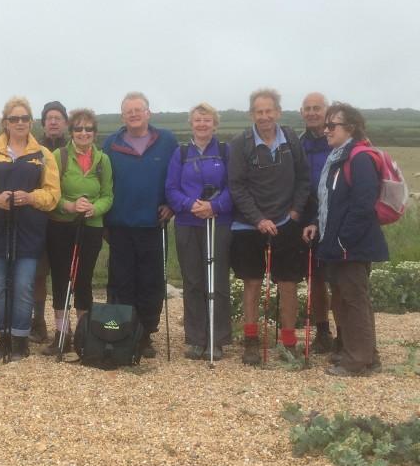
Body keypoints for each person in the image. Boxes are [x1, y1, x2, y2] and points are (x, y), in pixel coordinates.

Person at [0, 96, 60, 361]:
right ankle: (5, 336)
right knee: (0, 285)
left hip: (29, 231)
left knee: (23, 286)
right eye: (14, 119)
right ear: (6, 123)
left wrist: (32, 197)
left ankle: (20, 339)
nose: (20, 123)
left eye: (24, 118)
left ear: (31, 122)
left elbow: (53, 193)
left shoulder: (42, 155)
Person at [302, 102, 387, 376]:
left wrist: (342, 241)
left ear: (349, 128)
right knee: (346, 299)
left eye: (332, 125)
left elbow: (363, 205)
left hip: (352, 247)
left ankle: (358, 360)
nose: (326, 130)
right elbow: (332, 203)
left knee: (354, 301)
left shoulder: (359, 158)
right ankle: (364, 355)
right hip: (339, 245)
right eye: (326, 125)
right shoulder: (339, 157)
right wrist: (318, 224)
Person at [228, 88, 310, 365]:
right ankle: (251, 341)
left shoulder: (291, 140)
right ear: (252, 114)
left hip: (286, 221)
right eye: (259, 112)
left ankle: (289, 342)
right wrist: (258, 219)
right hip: (249, 224)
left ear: (277, 112)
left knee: (288, 283)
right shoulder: (240, 142)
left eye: (269, 111)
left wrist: (296, 210)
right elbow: (236, 186)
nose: (264, 117)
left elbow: (303, 179)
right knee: (251, 282)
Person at [103, 92, 177, 358]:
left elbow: (175, 175)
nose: (134, 114)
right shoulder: (110, 143)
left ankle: (146, 334)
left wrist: (171, 203)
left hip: (153, 224)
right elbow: (103, 182)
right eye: (128, 111)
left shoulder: (167, 140)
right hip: (119, 224)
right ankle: (123, 331)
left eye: (138, 110)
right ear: (122, 116)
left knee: (151, 281)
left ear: (149, 113)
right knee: (122, 281)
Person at [42, 108, 113, 355]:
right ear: (71, 132)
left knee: (83, 280)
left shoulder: (103, 160)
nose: (84, 133)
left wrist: (95, 208)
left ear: (95, 132)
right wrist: (69, 206)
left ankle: (84, 335)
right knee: (61, 278)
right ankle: (62, 334)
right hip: (61, 224)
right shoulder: (58, 156)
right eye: (78, 129)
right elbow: (50, 192)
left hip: (91, 226)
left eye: (88, 129)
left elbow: (108, 195)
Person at [165, 103, 233, 361]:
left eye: (207, 120)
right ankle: (195, 338)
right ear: (191, 124)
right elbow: (171, 188)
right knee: (192, 281)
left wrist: (215, 206)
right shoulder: (180, 153)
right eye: (197, 120)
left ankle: (217, 338)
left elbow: (233, 185)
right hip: (187, 222)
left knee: (217, 280)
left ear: (215, 124)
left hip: (219, 222)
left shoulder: (226, 151)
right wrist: (190, 205)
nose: (202, 124)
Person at [298, 92, 338, 353]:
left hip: (335, 217)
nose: (312, 112)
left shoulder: (337, 140)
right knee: (315, 278)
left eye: (317, 108)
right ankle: (323, 332)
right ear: (302, 112)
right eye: (308, 108)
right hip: (305, 219)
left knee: (340, 278)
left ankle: (348, 335)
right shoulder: (298, 143)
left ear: (327, 111)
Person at [29, 100, 69, 343]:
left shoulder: (76, 147)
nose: (53, 122)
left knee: (63, 275)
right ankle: (38, 322)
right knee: (38, 274)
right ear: (43, 124)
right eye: (49, 118)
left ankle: (64, 327)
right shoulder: (33, 149)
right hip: (39, 220)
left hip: (65, 220)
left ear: (65, 123)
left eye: (58, 118)